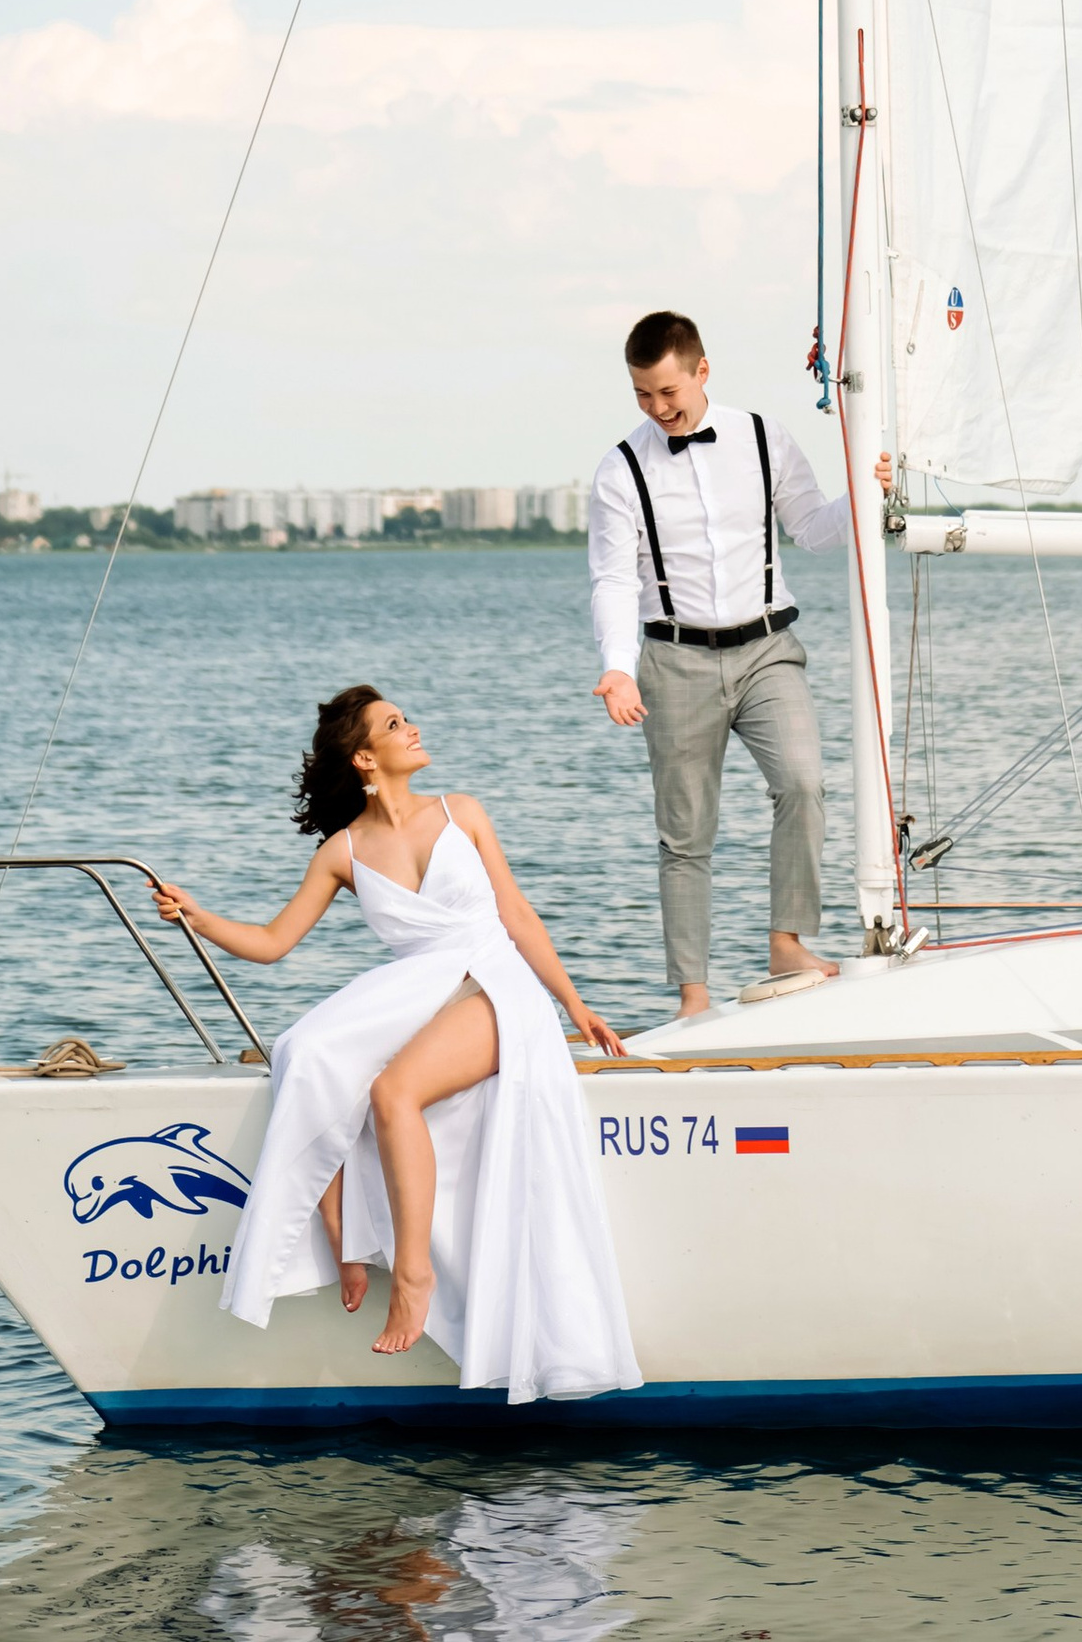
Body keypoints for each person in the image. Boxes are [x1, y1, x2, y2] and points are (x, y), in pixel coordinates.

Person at [152, 685, 640, 1404]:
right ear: (363, 756)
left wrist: (576, 1005)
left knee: (392, 1090)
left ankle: (412, 1278)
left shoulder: (461, 810)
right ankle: (350, 1245)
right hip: (420, 989)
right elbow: (271, 942)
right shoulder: (341, 851)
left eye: (405, 717)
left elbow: (517, 913)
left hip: (495, 983)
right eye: (393, 723)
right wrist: (197, 914)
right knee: (310, 1055)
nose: (412, 728)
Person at [589, 308, 884, 1019]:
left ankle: (787, 941)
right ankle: (694, 995)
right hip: (674, 659)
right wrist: (618, 664)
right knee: (685, 835)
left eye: (668, 391)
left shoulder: (761, 436)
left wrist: (868, 492)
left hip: (768, 651)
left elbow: (813, 528)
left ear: (701, 370)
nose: (659, 408)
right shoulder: (621, 469)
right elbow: (612, 578)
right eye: (643, 395)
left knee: (804, 783)